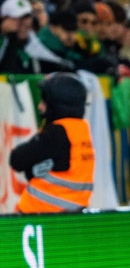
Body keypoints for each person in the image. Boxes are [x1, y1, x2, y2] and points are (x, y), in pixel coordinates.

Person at [9, 72, 94, 213]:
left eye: (44, 102)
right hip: (74, 214)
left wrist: (32, 169)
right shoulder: (81, 129)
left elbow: (17, 159)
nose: (40, 107)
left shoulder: (57, 133)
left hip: (40, 213)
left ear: (56, 105)